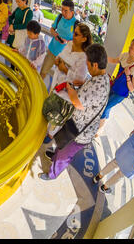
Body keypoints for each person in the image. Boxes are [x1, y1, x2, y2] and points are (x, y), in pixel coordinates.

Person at [39, 44, 110, 180]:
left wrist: (70, 87)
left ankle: (52, 173)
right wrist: (81, 86)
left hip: (81, 132)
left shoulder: (98, 85)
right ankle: (55, 155)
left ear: (95, 65)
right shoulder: (102, 77)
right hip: (77, 124)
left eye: (88, 64)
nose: (87, 68)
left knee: (65, 156)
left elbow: (77, 103)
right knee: (62, 142)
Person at [93, 106, 134, 194]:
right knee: (122, 173)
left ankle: (98, 176)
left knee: (115, 162)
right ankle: (104, 187)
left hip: (132, 142)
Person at [97, 37, 134, 136]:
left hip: (120, 94)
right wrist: (102, 57)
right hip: (114, 86)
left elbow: (132, 89)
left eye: (131, 47)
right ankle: (102, 124)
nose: (129, 47)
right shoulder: (124, 55)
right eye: (130, 45)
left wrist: (128, 75)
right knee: (107, 105)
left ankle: (98, 130)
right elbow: (114, 60)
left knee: (105, 107)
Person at [40, 0, 78, 80]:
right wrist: (55, 34)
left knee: (59, 79)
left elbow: (77, 42)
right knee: (43, 72)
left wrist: (67, 42)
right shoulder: (60, 17)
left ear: (72, 12)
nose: (63, 13)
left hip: (65, 57)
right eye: (62, 10)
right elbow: (52, 29)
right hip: (52, 50)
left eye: (66, 11)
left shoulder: (76, 24)